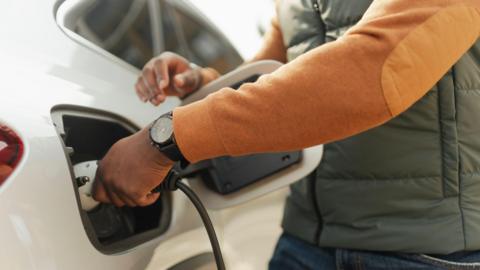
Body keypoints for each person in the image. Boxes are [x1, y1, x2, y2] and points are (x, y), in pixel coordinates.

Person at [93, 0, 480, 269]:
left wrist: (167, 138)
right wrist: (203, 84)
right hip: (304, 243)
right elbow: (274, 81)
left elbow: (372, 73)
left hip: (423, 253)